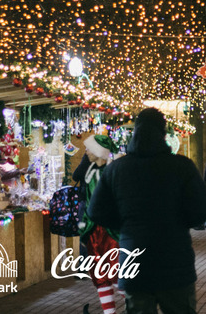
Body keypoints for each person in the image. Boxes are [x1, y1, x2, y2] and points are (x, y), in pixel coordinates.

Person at [88, 108, 206, 314]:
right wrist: (181, 222)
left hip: (134, 260)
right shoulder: (182, 166)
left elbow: (95, 210)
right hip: (175, 261)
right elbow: (204, 207)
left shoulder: (116, 169)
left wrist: (124, 226)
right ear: (163, 134)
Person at [72, 134, 121, 314]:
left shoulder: (112, 172)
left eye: (89, 149)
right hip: (93, 231)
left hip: (110, 231)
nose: (86, 152)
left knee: (117, 273)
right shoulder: (91, 170)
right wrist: (84, 227)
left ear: (98, 151)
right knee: (99, 275)